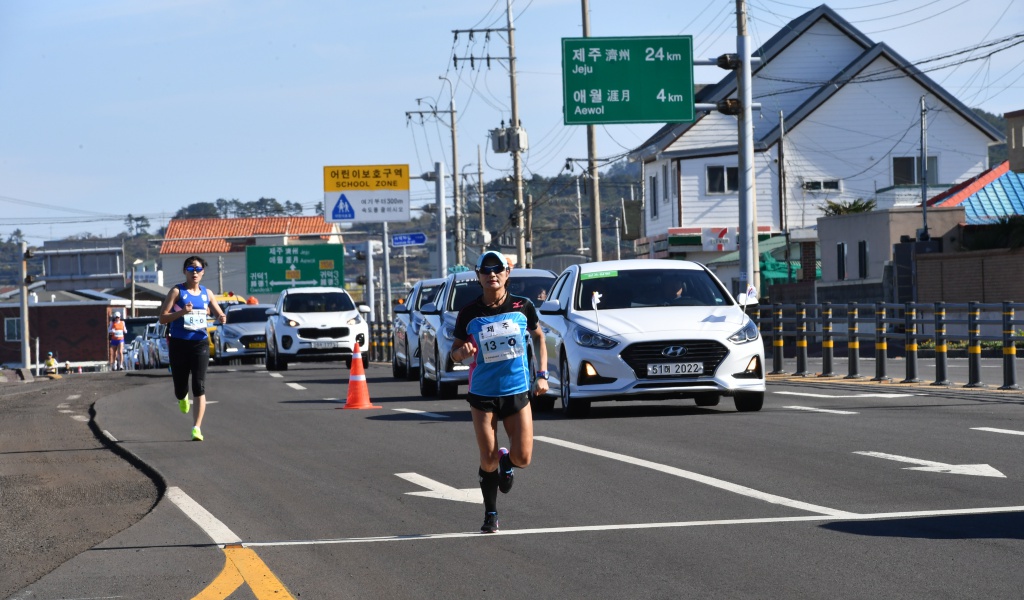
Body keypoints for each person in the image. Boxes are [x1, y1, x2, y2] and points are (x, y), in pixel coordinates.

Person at [451, 251, 548, 533]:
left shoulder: (523, 306)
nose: (492, 274)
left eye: (497, 270)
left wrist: (542, 375)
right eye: (486, 270)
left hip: (516, 389)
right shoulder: (468, 313)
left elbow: (539, 337)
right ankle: (490, 514)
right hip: (483, 393)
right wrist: (462, 352)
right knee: (487, 457)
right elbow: (454, 353)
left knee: (523, 458)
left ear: (507, 273)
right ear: (478, 275)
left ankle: (508, 462)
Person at [159, 256, 226, 442]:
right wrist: (182, 312)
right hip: (179, 343)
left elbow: (218, 312)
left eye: (198, 269)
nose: (194, 272)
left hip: (200, 343)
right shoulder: (177, 291)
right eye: (190, 269)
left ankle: (196, 428)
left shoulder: (207, 293)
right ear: (184, 271)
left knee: (199, 384)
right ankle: (182, 397)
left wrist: (222, 317)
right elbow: (162, 318)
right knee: (180, 388)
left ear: (202, 272)